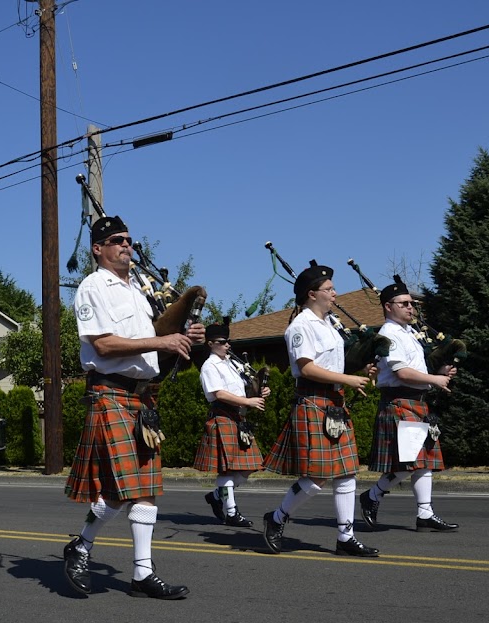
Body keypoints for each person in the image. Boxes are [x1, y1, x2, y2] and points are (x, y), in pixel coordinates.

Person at [62, 215, 204, 600]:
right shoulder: (94, 287)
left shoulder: (138, 292)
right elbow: (104, 345)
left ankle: (138, 570)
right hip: (110, 392)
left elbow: (154, 338)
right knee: (125, 489)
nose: (127, 245)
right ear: (98, 249)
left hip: (142, 398)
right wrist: (162, 343)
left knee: (144, 486)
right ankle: (87, 548)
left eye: (128, 240)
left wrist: (182, 336)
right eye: (117, 240)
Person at [261, 262, 381, 557]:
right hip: (313, 401)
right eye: (329, 290)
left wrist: (359, 370)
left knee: (347, 474)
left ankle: (345, 537)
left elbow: (333, 365)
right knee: (316, 478)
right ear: (312, 294)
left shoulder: (330, 325)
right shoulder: (300, 326)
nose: (335, 294)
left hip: (334, 403)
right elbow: (307, 367)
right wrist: (347, 379)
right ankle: (276, 518)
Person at [358, 279, 459, 534]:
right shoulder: (389, 334)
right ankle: (372, 495)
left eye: (412, 304)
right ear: (388, 306)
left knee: (423, 462)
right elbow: (402, 373)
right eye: (405, 304)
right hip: (399, 401)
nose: (411, 308)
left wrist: (439, 372)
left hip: (416, 402)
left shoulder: (409, 333)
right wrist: (435, 380)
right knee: (412, 462)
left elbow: (416, 370)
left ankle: (425, 514)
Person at [194, 319, 269, 527]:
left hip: (239, 418)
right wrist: (247, 401)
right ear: (210, 343)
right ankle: (231, 512)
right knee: (227, 470)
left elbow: (245, 387)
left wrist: (259, 392)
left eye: (228, 341)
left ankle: (217, 496)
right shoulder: (209, 366)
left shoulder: (233, 364)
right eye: (222, 341)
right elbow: (219, 393)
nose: (228, 345)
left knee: (251, 466)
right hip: (223, 417)